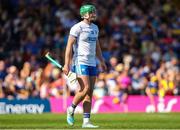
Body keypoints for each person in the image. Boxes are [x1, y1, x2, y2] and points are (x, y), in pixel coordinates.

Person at [63, 4, 107, 128]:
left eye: (94, 11)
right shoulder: (77, 28)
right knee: (85, 88)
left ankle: (86, 122)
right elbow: (68, 47)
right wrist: (67, 64)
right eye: (91, 12)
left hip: (92, 62)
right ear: (85, 14)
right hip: (80, 61)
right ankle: (71, 109)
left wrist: (101, 61)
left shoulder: (95, 28)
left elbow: (97, 46)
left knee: (90, 93)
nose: (94, 13)